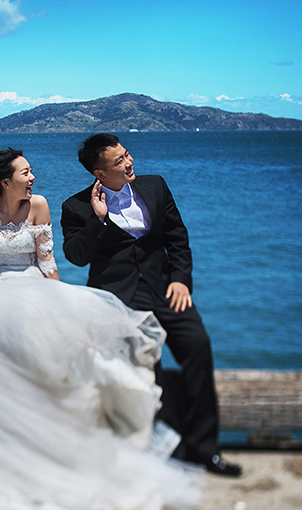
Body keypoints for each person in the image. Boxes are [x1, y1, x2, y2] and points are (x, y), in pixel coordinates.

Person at [0, 148, 203, 510]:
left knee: (44, 339)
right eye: (25, 173)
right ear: (5, 181)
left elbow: (47, 262)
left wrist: (61, 301)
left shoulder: (39, 205)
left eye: (31, 171)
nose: (33, 177)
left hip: (32, 284)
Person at [61, 133, 242, 477]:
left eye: (127, 154)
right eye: (119, 161)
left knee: (198, 349)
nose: (129, 162)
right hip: (119, 302)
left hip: (167, 290)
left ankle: (204, 450)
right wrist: (98, 219)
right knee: (147, 374)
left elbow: (178, 238)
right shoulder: (76, 207)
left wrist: (181, 279)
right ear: (99, 173)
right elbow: (76, 256)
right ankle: (162, 452)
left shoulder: (155, 185)